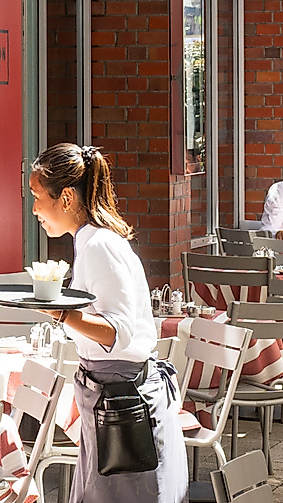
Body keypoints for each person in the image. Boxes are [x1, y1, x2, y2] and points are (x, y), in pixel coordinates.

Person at [28, 143, 183, 503]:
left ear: (65, 198)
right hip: (111, 397)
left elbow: (119, 331)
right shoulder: (91, 242)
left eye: (37, 198)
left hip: (123, 402)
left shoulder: (99, 246)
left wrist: (62, 313)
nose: (34, 209)